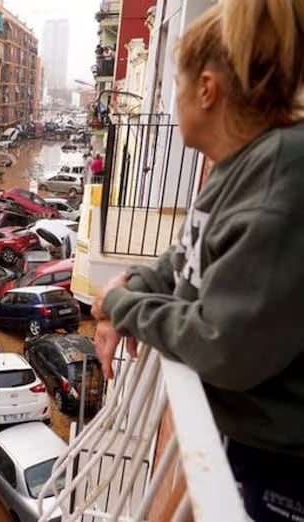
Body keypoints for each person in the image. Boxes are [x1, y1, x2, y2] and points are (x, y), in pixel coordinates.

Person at [91, 1, 304, 520]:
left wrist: (123, 305)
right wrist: (136, 284)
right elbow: (183, 260)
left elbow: (223, 343)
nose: (174, 97)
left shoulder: (282, 171)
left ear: (206, 89)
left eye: (176, 83)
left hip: (279, 468)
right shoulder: (238, 167)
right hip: (243, 441)